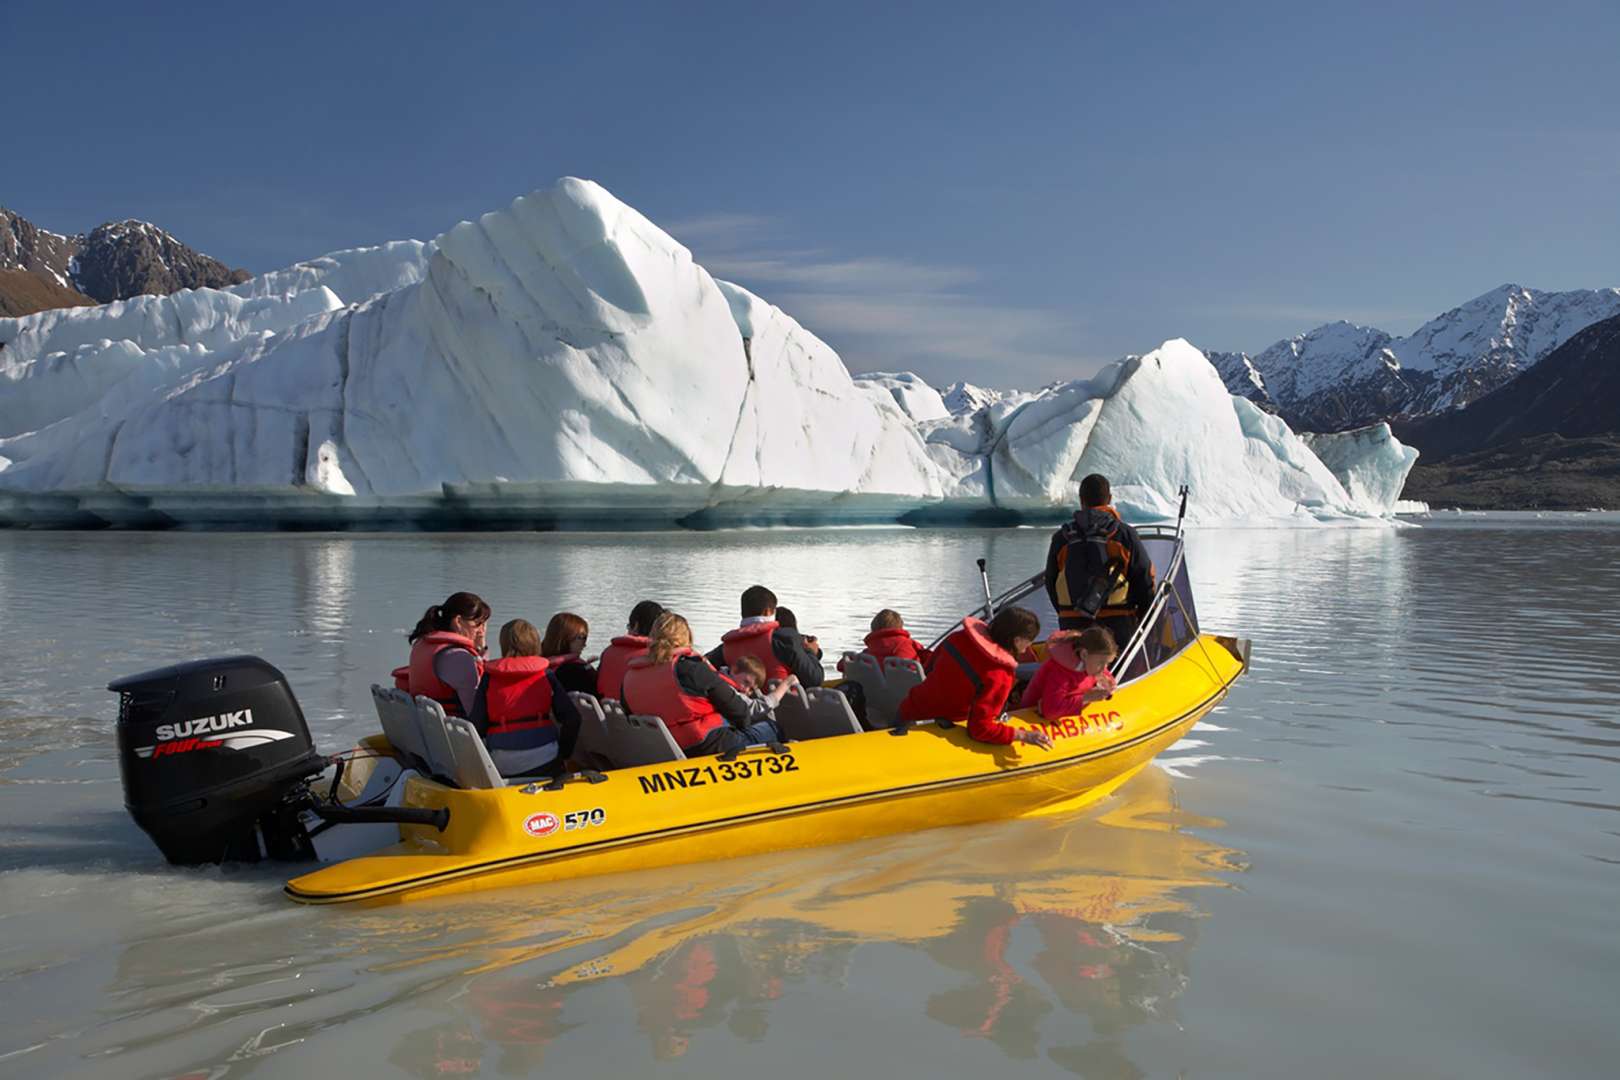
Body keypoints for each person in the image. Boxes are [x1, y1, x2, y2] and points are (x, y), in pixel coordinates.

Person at [624, 612, 785, 756]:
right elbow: (742, 714)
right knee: (772, 728)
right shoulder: (691, 669)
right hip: (706, 745)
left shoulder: (630, 676)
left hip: (663, 748)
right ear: (686, 640)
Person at [897, 607, 1054, 749]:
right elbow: (980, 729)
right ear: (1016, 640)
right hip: (932, 729)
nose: (1027, 649)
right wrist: (1023, 735)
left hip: (909, 709)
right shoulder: (1000, 674)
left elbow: (928, 668)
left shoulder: (957, 638)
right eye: (1028, 643)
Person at [1044, 474, 1155, 652]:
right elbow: (1144, 578)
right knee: (1118, 669)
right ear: (1109, 499)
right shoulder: (1123, 534)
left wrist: (1066, 612)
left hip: (1072, 621)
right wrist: (1146, 618)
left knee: (1077, 670)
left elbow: (1050, 580)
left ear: (1081, 500)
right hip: (1117, 620)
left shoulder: (1062, 537)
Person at [468, 619, 582, 778]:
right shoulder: (545, 675)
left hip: (502, 762)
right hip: (546, 758)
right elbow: (572, 719)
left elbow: (477, 726)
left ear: (503, 644)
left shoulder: (489, 677)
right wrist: (564, 755)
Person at [706, 585, 824, 687]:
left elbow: (704, 666)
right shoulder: (784, 640)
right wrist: (810, 652)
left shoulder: (726, 646)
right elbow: (815, 679)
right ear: (768, 612)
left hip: (747, 707)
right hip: (784, 708)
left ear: (743, 613)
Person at [398, 591, 490, 717]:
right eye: (478, 625)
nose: (482, 632)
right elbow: (476, 713)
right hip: (454, 731)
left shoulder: (422, 643)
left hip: (428, 725)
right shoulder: (459, 658)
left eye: (484, 625)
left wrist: (480, 649)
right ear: (458, 621)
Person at [1019, 627, 1118, 720]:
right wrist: (1087, 697)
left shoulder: (1091, 665)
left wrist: (1110, 683)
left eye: (1107, 663)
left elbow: (1105, 674)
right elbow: (1050, 711)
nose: (1104, 668)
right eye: (1101, 663)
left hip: (1065, 710)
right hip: (1033, 716)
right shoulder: (1060, 672)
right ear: (1084, 654)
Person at [596, 600, 664, 700]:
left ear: (635, 626)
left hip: (606, 711)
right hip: (640, 713)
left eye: (628, 626)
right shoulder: (659, 656)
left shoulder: (608, 652)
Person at [838, 608, 933, 672]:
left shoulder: (867, 653)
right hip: (907, 695)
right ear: (900, 628)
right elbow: (932, 661)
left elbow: (841, 666)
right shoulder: (911, 644)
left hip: (875, 695)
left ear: (874, 629)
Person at [540, 612, 599, 697]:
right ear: (564, 638)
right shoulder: (577, 672)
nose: (584, 644)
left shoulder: (541, 667)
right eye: (582, 638)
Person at [727, 654, 801, 720]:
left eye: (751, 689)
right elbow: (756, 708)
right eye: (746, 682)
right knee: (774, 727)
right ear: (734, 670)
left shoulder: (722, 678)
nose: (746, 690)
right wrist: (787, 683)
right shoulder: (726, 688)